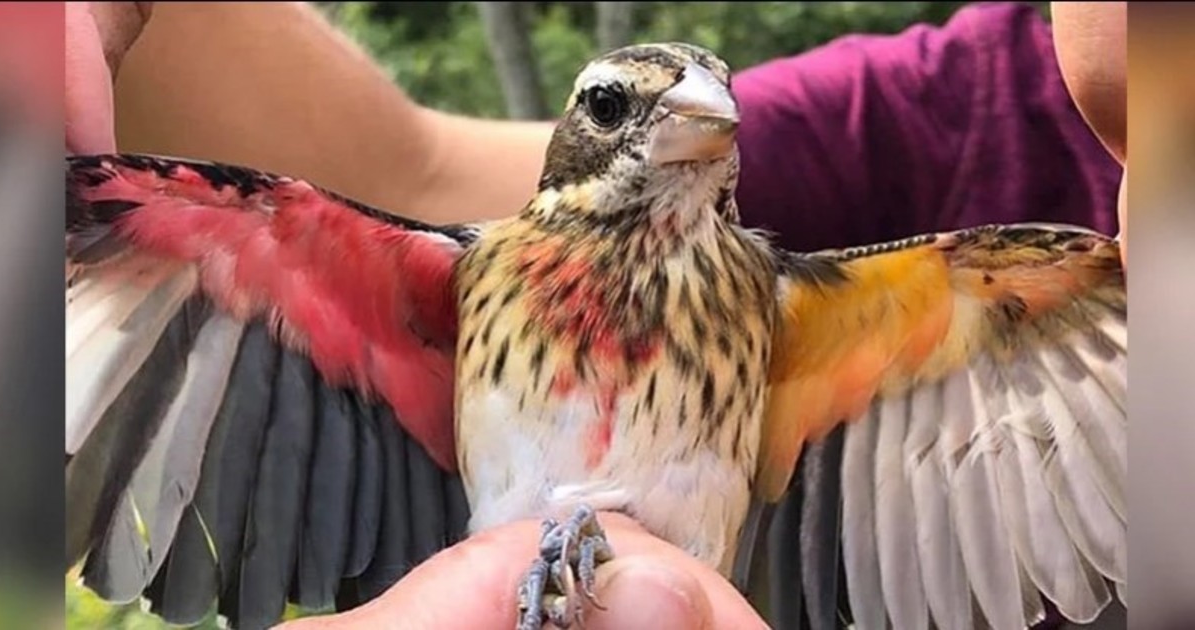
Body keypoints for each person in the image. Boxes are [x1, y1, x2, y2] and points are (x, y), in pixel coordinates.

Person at [62, 2, 1126, 629]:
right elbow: (408, 166)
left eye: (707, 107)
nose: (694, 118)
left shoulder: (837, 307)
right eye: (619, 109)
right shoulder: (450, 280)